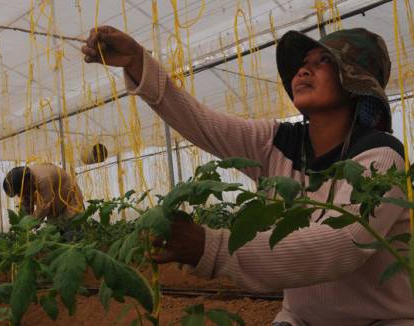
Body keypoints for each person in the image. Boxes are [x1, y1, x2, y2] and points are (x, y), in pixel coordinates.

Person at [81, 26, 414, 325]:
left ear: (355, 83)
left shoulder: (380, 155)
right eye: (303, 61)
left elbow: (343, 244)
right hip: (300, 319)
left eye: (323, 61)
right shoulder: (278, 143)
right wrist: (138, 62)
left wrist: (212, 247)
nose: (303, 68)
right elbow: (202, 123)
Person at [3, 163, 84, 230]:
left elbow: (45, 205)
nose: (20, 195)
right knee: (55, 232)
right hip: (56, 205)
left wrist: (32, 223)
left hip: (71, 201)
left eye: (19, 192)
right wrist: (24, 220)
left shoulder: (43, 178)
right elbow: (26, 203)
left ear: (25, 183)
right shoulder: (26, 178)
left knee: (72, 231)